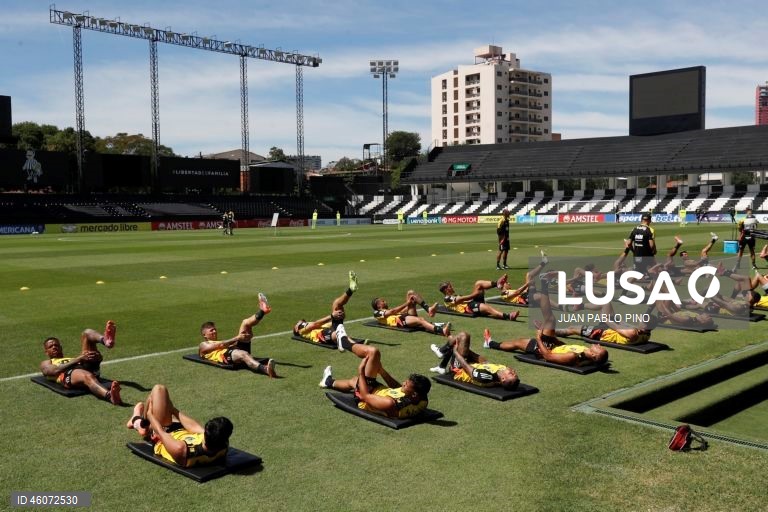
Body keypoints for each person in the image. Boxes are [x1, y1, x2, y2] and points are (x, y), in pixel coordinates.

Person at [483, 284, 609, 367]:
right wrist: (553, 337)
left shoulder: (574, 357)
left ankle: (544, 285)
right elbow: (565, 347)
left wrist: (538, 337)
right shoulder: (586, 352)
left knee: (549, 320)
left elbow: (547, 356)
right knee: (518, 342)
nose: (598, 344)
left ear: (594, 355)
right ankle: (490, 343)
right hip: (552, 344)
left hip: (545, 349)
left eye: (599, 348)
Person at [127, 384, 232, 468]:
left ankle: (140, 422)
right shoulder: (222, 445)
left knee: (158, 390)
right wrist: (173, 410)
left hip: (165, 431)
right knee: (165, 405)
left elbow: (160, 432)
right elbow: (194, 427)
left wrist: (149, 415)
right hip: (180, 430)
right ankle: (141, 422)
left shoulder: (181, 450)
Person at [318, 348, 431, 419]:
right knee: (356, 379)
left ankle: (343, 342)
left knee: (372, 355)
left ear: (414, 394)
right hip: (381, 391)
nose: (403, 383)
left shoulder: (389, 403)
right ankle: (328, 381)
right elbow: (398, 388)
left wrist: (361, 372)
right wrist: (381, 371)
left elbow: (365, 396)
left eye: (406, 385)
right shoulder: (422, 400)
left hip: (366, 398)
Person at [293, 271, 375, 356]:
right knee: (337, 334)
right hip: (321, 335)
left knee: (336, 304)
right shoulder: (300, 328)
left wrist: (340, 315)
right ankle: (356, 346)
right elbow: (314, 324)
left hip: (329, 330)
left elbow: (328, 324)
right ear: (296, 329)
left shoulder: (310, 328)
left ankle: (351, 289)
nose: (301, 321)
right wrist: (332, 316)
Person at [40, 320, 122, 405]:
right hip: (67, 374)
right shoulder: (46, 362)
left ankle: (106, 341)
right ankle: (110, 397)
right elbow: (53, 371)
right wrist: (79, 359)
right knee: (86, 375)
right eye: (50, 346)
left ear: (61, 348)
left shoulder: (71, 358)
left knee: (87, 332)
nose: (54, 347)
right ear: (46, 352)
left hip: (84, 366)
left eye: (56, 345)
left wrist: (97, 358)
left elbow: (82, 359)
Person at [198, 293, 276, 377]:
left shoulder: (219, 341)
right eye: (211, 330)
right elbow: (220, 345)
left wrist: (244, 338)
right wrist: (237, 338)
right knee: (243, 354)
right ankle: (266, 369)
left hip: (233, 350)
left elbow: (224, 344)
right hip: (224, 356)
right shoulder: (203, 345)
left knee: (245, 323)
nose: (214, 331)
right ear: (204, 335)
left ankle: (262, 311)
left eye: (215, 329)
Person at [429, 331, 519, 389]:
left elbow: (466, 366)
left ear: (503, 379)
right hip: (469, 362)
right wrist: (466, 350)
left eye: (511, 374)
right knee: (457, 339)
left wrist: (456, 351)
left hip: (458, 369)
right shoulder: (502, 369)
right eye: (515, 374)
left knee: (464, 336)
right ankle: (442, 364)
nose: (513, 371)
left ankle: (442, 352)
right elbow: (485, 362)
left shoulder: (486, 377)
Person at [439, 274, 519, 321]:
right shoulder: (447, 298)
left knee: (478, 283)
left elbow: (463, 299)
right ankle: (508, 316)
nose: (452, 287)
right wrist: (475, 294)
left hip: (470, 304)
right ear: (446, 290)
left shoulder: (453, 296)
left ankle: (497, 284)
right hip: (468, 309)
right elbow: (461, 299)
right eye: (450, 286)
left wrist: (475, 295)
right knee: (486, 307)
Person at [371, 292, 450, 336]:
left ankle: (428, 309)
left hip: (404, 317)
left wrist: (411, 303)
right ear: (378, 305)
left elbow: (401, 311)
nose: (385, 302)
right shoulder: (377, 313)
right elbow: (392, 312)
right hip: (400, 321)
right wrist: (407, 303)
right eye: (383, 301)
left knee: (411, 293)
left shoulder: (387, 311)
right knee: (420, 320)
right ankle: (442, 331)